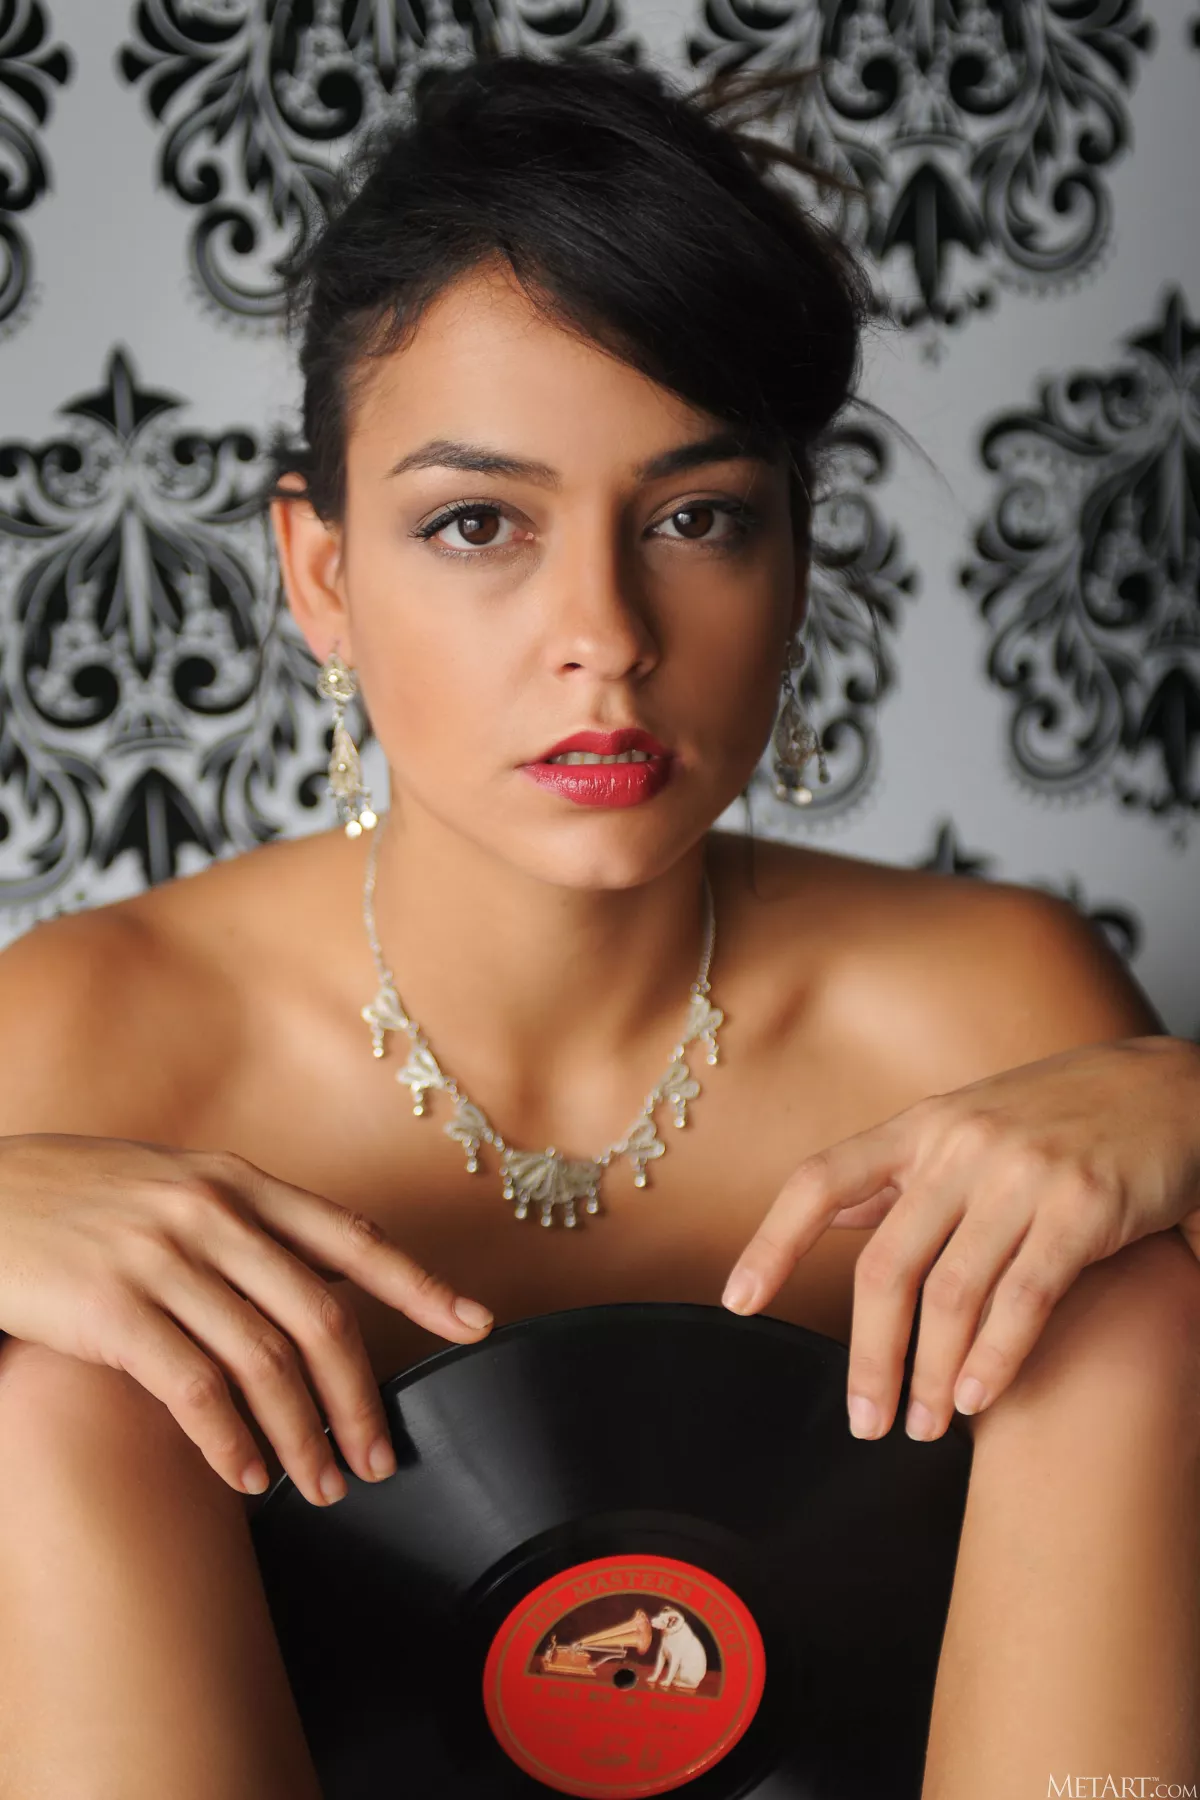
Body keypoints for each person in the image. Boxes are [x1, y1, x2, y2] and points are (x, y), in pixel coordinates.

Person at [0, 48, 1196, 1800]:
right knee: (63, 1388)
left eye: (697, 518)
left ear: (796, 559)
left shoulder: (990, 1005)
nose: (607, 635)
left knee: (1126, 1307)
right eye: (478, 522)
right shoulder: (89, 1031)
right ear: (322, 575)